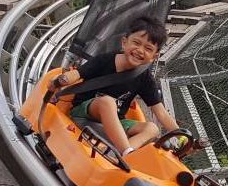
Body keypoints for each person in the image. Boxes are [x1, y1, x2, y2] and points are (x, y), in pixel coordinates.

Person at [53, 16, 179, 157]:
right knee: (107, 102)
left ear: (154, 57)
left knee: (153, 128)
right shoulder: (104, 60)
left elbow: (160, 112)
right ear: (124, 42)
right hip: (85, 115)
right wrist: (63, 80)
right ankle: (126, 151)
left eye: (148, 49)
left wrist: (182, 137)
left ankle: (120, 155)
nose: (140, 50)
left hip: (115, 124)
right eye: (136, 43)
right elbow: (77, 74)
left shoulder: (144, 77)